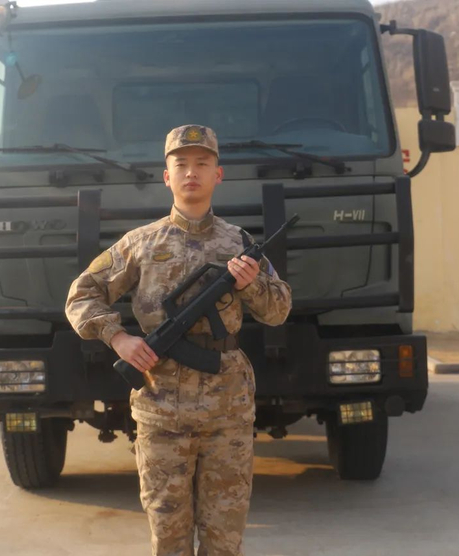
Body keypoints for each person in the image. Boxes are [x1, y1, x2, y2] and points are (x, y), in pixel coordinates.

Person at [65, 124, 292, 555]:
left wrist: (252, 285)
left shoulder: (240, 243)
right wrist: (118, 338)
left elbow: (278, 311)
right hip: (161, 408)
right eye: (181, 164)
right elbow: (82, 294)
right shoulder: (140, 244)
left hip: (228, 409)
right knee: (169, 537)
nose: (192, 173)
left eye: (202, 164)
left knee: (224, 539)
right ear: (166, 177)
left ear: (217, 175)